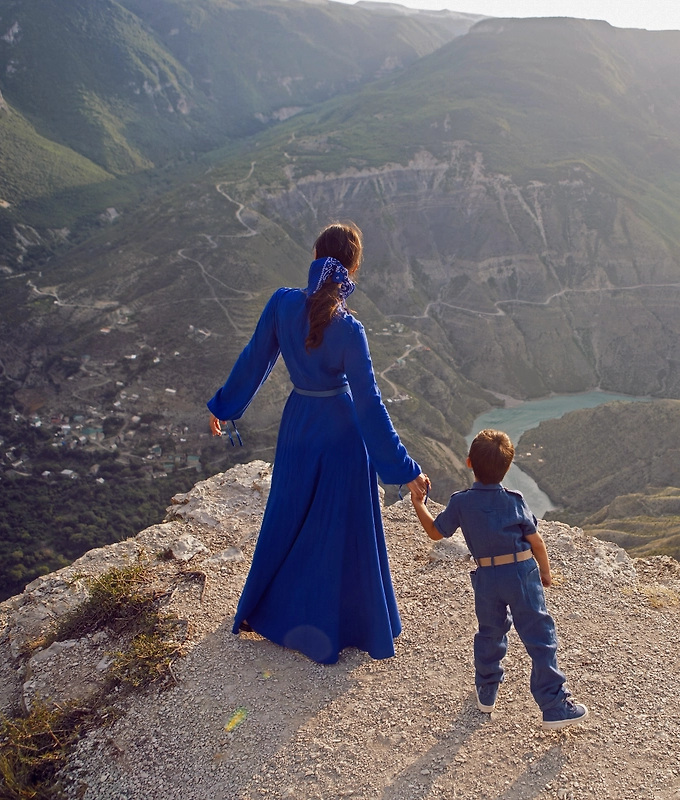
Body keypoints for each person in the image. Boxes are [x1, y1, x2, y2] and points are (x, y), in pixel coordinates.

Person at [207, 222, 429, 665]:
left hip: (299, 424)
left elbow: (255, 358)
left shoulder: (282, 303)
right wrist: (405, 469)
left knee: (287, 517)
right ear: (352, 268)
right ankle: (338, 625)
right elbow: (370, 407)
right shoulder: (350, 329)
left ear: (314, 256)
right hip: (342, 434)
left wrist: (225, 405)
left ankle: (268, 609)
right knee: (336, 531)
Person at [409, 429, 588, 730]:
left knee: (490, 632)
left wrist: (419, 503)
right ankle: (554, 705)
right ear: (507, 467)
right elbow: (536, 541)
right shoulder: (515, 500)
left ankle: (486, 690)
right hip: (521, 573)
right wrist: (545, 572)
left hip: (487, 577)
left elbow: (435, 532)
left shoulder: (461, 502)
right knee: (540, 636)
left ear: (469, 463)